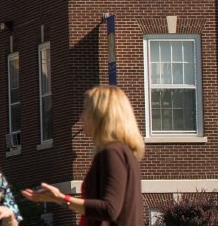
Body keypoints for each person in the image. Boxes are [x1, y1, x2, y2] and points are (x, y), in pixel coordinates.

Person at [21, 86, 145, 226]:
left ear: (101, 115)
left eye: (86, 110)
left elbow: (110, 209)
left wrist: (62, 198)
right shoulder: (124, 153)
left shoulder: (112, 153)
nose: (81, 117)